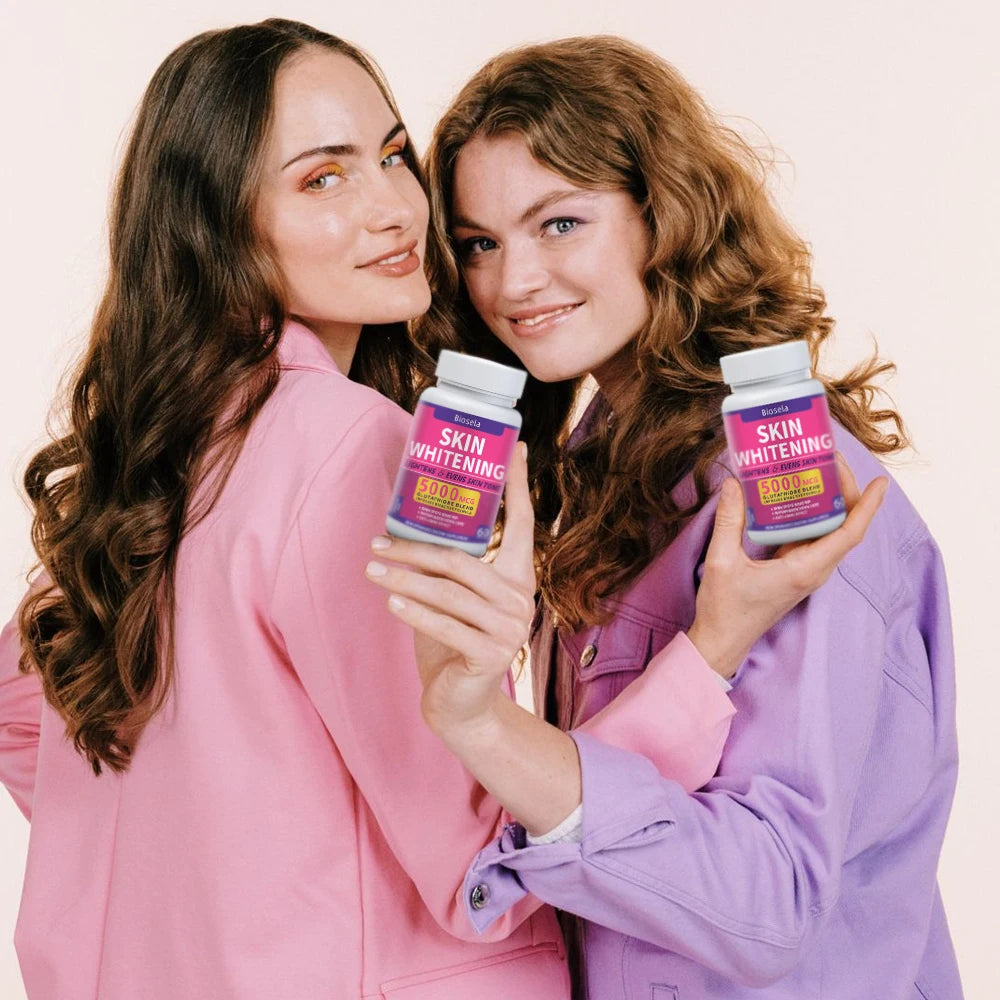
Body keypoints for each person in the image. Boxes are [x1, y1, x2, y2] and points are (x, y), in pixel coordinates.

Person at [0, 19, 883, 1000]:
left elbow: (22, 715)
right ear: (220, 225)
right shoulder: (346, 444)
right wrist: (705, 656)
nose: (394, 209)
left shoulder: (145, 452)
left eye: (389, 156)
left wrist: (211, 877)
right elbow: (489, 854)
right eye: (322, 179)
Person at [366, 36, 961, 999]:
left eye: (558, 224)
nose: (511, 283)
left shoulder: (781, 486)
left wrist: (487, 734)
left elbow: (770, 902)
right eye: (479, 243)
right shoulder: (596, 470)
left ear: (664, 214)